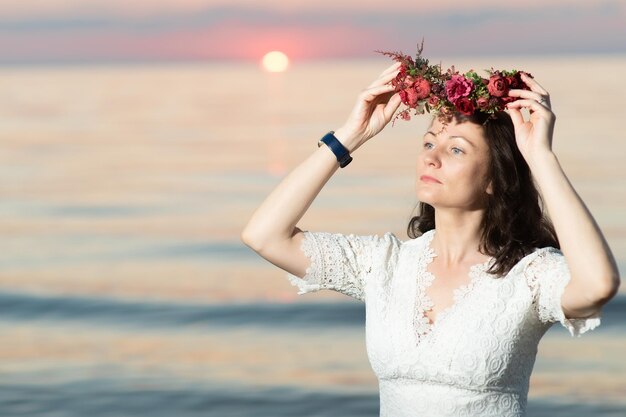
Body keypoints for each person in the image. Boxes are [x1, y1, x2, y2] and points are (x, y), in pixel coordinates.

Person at [240, 59, 620, 416]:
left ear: (494, 179)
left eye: (455, 149)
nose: (431, 158)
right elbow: (264, 235)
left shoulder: (528, 275)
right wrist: (349, 136)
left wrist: (540, 156)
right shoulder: (384, 264)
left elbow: (598, 285)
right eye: (428, 143)